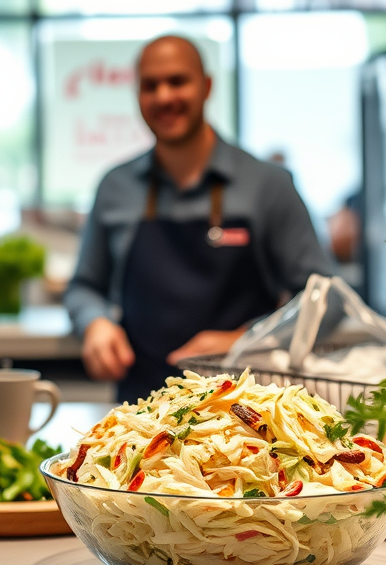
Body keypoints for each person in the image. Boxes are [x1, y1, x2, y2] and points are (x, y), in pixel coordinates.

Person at [65, 35, 331, 403]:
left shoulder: (268, 185)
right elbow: (83, 286)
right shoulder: (115, 187)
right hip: (139, 414)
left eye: (177, 81)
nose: (163, 97)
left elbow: (323, 299)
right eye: (150, 86)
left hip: (243, 414)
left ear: (206, 87)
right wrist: (95, 323)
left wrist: (247, 338)